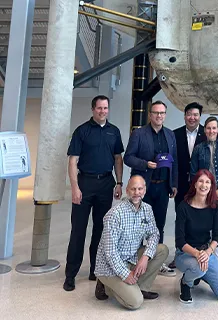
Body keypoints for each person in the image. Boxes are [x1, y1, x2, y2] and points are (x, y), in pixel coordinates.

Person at [64, 95, 124, 292]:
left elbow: (118, 158)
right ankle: (70, 275)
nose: (102, 111)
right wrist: (75, 188)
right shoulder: (82, 131)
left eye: (105, 108)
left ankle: (94, 269)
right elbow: (73, 161)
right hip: (85, 183)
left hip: (106, 183)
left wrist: (119, 183)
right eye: (99, 108)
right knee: (78, 231)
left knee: (100, 230)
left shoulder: (114, 132)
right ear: (93, 109)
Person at [94, 175, 169, 310]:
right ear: (127, 191)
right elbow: (110, 253)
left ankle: (141, 287)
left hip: (132, 257)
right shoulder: (114, 214)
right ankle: (106, 286)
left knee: (162, 250)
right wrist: (125, 274)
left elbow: (154, 234)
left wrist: (145, 257)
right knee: (135, 302)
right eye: (133, 189)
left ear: (145, 190)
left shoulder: (147, 209)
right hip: (109, 266)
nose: (136, 192)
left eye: (140, 189)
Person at [124, 100, 177, 277]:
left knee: (158, 226)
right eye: (156, 113)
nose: (159, 116)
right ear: (150, 114)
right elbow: (128, 158)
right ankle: (135, 259)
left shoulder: (170, 135)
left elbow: (173, 162)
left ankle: (157, 262)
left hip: (162, 188)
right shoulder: (139, 134)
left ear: (165, 115)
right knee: (139, 226)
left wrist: (173, 184)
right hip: (142, 190)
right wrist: (146, 164)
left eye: (162, 113)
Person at [175, 169, 218, 303]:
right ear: (195, 184)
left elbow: (217, 236)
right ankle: (186, 282)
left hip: (206, 253)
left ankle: (199, 274)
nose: (204, 185)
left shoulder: (214, 205)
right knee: (198, 266)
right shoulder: (183, 206)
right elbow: (180, 241)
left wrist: (207, 253)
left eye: (208, 182)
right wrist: (197, 254)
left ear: (211, 186)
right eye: (200, 181)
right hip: (185, 254)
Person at [170, 102, 206, 269]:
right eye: (189, 114)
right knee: (181, 218)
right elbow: (172, 162)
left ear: (200, 117)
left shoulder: (208, 133)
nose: (192, 117)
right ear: (184, 116)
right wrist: (173, 183)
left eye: (196, 115)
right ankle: (180, 252)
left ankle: (201, 253)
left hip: (201, 186)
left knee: (200, 218)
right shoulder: (174, 134)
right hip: (181, 185)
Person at [190, 116, 218, 263]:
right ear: (205, 130)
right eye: (208, 128)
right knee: (203, 227)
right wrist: (202, 190)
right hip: (202, 194)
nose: (211, 130)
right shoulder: (198, 149)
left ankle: (216, 260)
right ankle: (203, 257)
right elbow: (193, 172)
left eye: (214, 128)